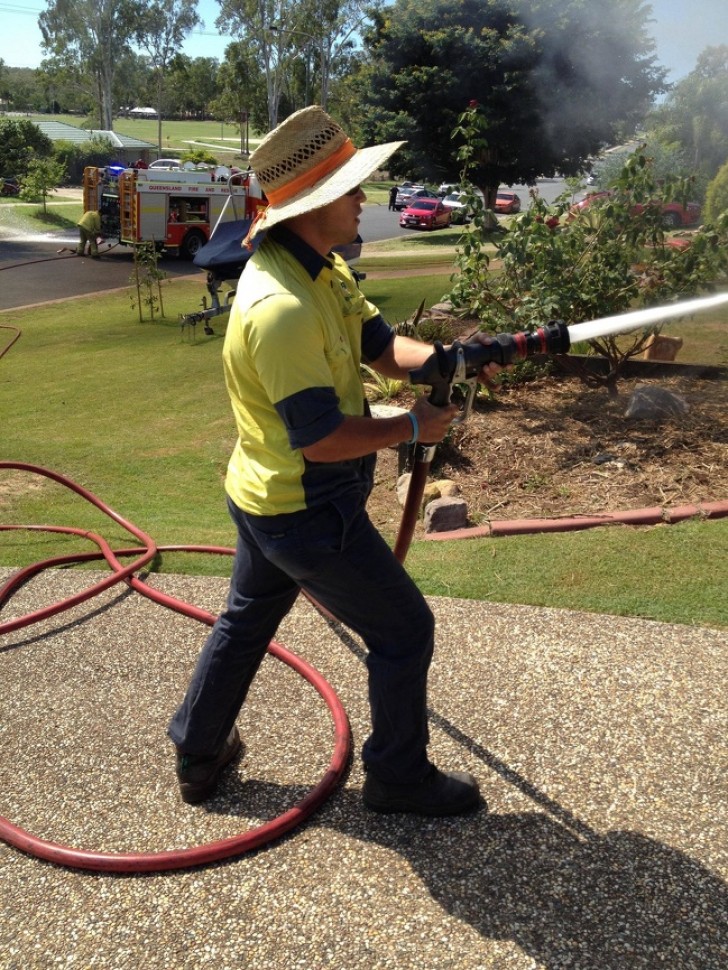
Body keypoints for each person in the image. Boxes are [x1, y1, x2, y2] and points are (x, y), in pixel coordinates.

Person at [167, 105, 502, 816]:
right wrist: (412, 424)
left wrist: (451, 357)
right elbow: (320, 439)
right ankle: (397, 777)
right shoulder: (281, 306)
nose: (364, 200)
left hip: (263, 495)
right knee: (404, 629)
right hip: (305, 508)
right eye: (352, 189)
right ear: (315, 203)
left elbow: (381, 349)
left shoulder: (322, 270)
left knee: (248, 615)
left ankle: (198, 753)